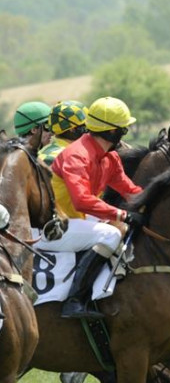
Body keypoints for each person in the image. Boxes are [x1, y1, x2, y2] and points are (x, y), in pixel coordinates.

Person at [35, 96, 143, 320]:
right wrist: (121, 213)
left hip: (76, 222)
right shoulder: (76, 155)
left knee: (120, 227)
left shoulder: (109, 156)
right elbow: (81, 200)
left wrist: (155, 204)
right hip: (50, 226)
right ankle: (76, 299)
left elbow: (130, 190)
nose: (125, 135)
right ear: (113, 132)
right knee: (111, 233)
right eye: (123, 130)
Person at [39, 100, 88, 167]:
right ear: (72, 129)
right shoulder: (63, 158)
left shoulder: (42, 152)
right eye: (84, 125)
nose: (88, 129)